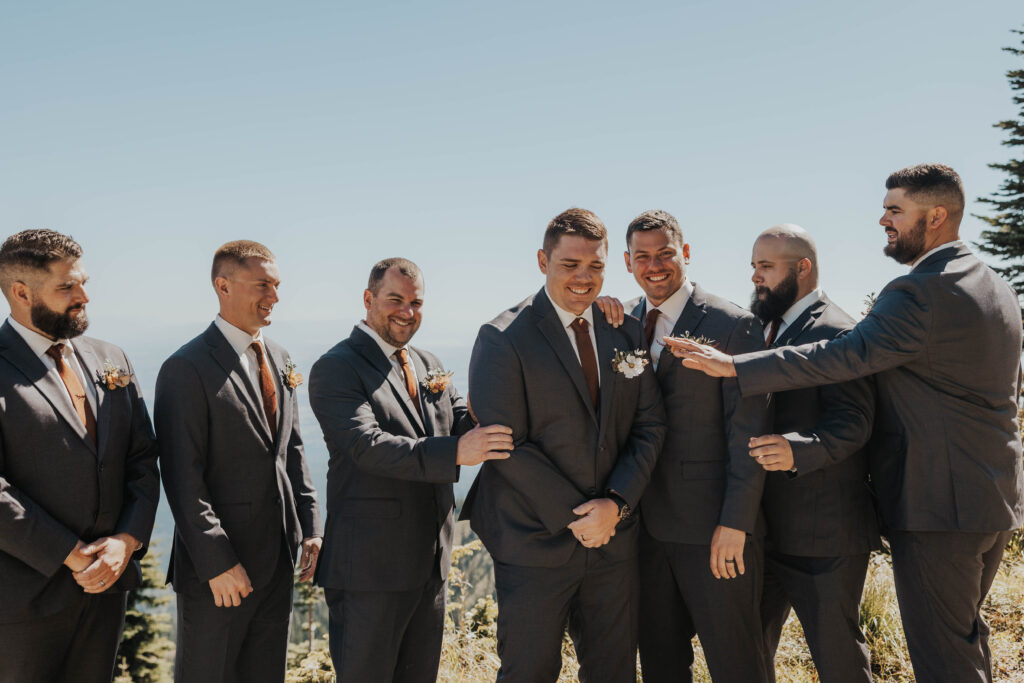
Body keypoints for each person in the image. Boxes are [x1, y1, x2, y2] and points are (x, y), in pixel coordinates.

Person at [670, 164, 1024, 683]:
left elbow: (846, 354)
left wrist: (735, 366)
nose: (883, 219)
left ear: (938, 215)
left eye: (895, 210)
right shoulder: (995, 286)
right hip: (992, 497)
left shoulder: (918, 292)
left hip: (936, 504)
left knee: (944, 659)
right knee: (964, 645)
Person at [462, 208, 666, 682]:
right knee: (529, 672)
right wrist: (583, 518)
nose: (583, 277)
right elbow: (505, 444)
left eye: (595, 266)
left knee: (613, 673)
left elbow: (650, 426)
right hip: (533, 540)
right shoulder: (502, 337)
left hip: (614, 541)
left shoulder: (625, 330)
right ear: (542, 261)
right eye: (569, 265)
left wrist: (614, 506)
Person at [307, 257, 512, 681]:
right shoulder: (336, 367)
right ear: (368, 299)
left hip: (429, 567)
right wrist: (457, 451)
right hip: (369, 573)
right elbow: (366, 446)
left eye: (416, 302)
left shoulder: (427, 362)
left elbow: (463, 420)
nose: (407, 311)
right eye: (395, 299)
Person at [155, 240, 323, 683]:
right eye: (263, 284)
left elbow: (292, 452)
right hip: (219, 575)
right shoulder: (185, 368)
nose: (275, 296)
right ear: (223, 285)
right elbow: (180, 477)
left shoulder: (281, 358)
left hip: (278, 563)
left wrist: (310, 529)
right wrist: (217, 563)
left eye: (278, 285)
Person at [0, 229, 160, 683]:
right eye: (67, 287)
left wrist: (125, 542)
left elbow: (142, 459)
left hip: (106, 591)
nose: (83, 296)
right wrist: (71, 554)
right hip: (21, 601)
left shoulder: (111, 357)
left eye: (83, 282)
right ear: (21, 292)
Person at [621, 210, 772, 683]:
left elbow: (747, 434)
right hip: (641, 533)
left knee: (738, 664)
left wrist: (735, 523)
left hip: (713, 530)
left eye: (665, 253)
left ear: (684, 253)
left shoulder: (734, 325)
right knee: (662, 666)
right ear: (628, 263)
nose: (655, 265)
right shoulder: (621, 323)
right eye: (642, 257)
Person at [747, 224, 878, 682]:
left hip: (826, 535)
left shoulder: (839, 330)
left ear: (802, 268)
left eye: (766, 266)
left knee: (837, 656)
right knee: (749, 652)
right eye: (754, 266)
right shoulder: (760, 327)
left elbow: (855, 420)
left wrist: (796, 450)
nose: (756, 277)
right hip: (762, 533)